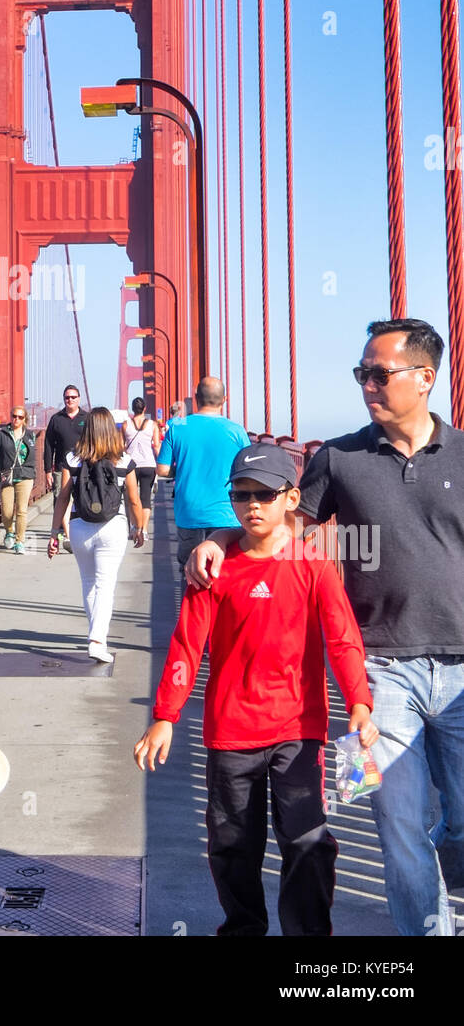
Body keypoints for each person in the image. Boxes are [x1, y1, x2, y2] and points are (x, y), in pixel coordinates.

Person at [186, 317, 464, 938]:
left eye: (379, 373)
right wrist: (215, 542)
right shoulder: (339, 458)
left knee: (458, 824)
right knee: (398, 823)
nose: (366, 383)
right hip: (383, 670)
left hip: (461, 666)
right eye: (361, 373)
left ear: (425, 378)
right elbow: (279, 519)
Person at [135, 444, 378, 937]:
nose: (253, 506)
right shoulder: (213, 568)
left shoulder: (314, 565)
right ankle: (243, 927)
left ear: (291, 498)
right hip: (231, 731)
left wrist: (358, 702)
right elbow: (186, 645)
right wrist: (165, 715)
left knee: (307, 842)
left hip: (298, 729)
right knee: (231, 844)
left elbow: (343, 637)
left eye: (265, 495)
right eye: (242, 495)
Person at [48, 406, 144, 663]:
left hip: (80, 527)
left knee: (89, 583)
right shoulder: (124, 461)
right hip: (113, 527)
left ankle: (95, 633)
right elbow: (134, 501)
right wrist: (139, 528)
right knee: (106, 585)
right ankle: (97, 640)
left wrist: (55, 531)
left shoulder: (73, 459)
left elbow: (63, 497)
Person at [156, 376, 249, 575]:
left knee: (191, 575)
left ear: (196, 398)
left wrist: (181, 469)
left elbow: (162, 470)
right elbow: (248, 471)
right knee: (224, 575)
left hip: (189, 514)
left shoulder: (177, 427)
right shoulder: (237, 431)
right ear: (225, 399)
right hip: (228, 516)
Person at [0, 405, 36, 554]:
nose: (16, 419)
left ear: (24, 419)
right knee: (7, 510)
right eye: (14, 416)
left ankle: (19, 541)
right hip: (6, 474)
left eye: (20, 417)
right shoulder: (0, 434)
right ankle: (9, 531)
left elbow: (33, 455)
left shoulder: (29, 435)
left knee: (22, 510)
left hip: (25, 475)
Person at [44, 385, 86, 553]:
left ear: (79, 399)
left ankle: (75, 533)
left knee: (81, 500)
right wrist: (48, 470)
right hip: (61, 468)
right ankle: (68, 537)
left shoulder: (87, 418)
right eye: (67, 397)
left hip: (83, 468)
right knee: (62, 499)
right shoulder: (56, 419)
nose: (70, 400)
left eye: (73, 397)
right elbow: (48, 446)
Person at [121, 396, 160, 536]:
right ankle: (143, 530)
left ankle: (134, 527)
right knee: (145, 498)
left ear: (132, 409)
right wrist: (160, 465)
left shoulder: (126, 425)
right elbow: (156, 446)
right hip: (149, 465)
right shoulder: (153, 425)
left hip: (131, 466)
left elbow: (122, 447)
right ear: (144, 408)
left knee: (132, 498)